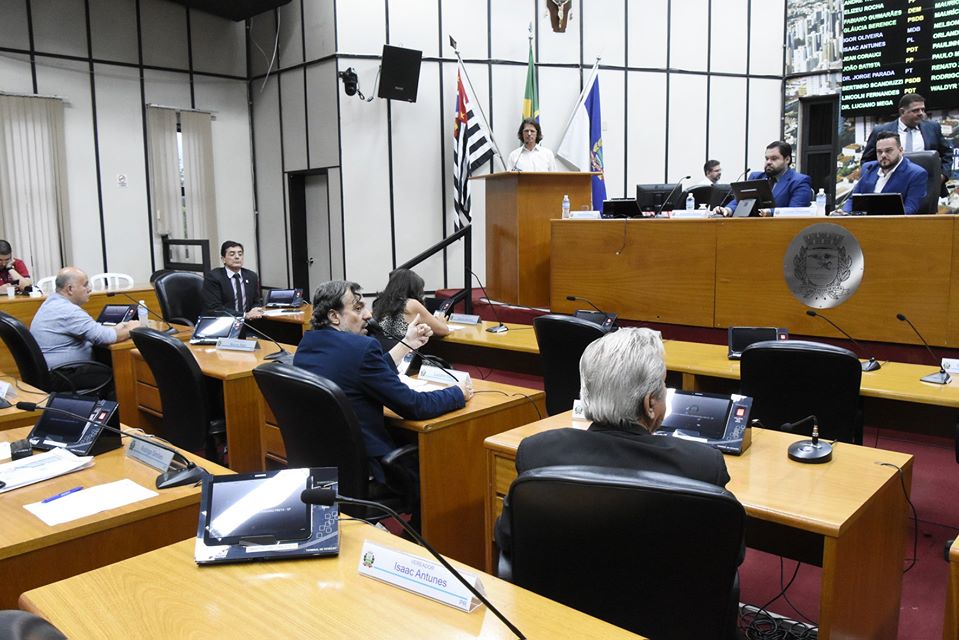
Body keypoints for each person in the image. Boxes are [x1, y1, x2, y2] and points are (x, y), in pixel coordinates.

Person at [495, 327, 729, 554]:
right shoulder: (704, 466)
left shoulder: (536, 453)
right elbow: (728, 555)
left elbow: (506, 536)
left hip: (554, 592)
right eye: (664, 385)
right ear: (649, 404)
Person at [292, 280, 473, 483]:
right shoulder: (362, 347)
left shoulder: (307, 344)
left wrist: (406, 344)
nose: (368, 315)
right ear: (334, 316)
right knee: (444, 464)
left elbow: (362, 372)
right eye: (358, 308)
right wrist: (457, 392)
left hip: (326, 464)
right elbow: (415, 405)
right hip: (368, 466)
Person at [30, 267, 139, 391]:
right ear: (70, 289)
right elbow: (106, 337)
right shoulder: (68, 311)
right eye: (85, 285)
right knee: (121, 375)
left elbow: (93, 330)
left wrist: (117, 328)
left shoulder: (53, 302)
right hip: (62, 375)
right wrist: (133, 328)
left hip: (51, 372)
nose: (90, 289)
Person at [862, 93, 952, 196]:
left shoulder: (933, 127)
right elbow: (867, 161)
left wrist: (942, 176)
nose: (921, 113)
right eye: (915, 110)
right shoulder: (881, 131)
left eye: (922, 109)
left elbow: (947, 153)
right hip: (890, 188)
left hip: (927, 189)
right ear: (902, 111)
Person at [714, 141, 813, 216]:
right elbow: (740, 201)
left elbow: (796, 212)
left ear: (787, 159)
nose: (768, 162)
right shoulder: (756, 177)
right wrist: (727, 210)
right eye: (767, 158)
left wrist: (770, 212)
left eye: (774, 159)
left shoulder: (799, 181)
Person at [844, 131, 929, 215]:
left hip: (894, 225)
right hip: (863, 223)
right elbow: (853, 199)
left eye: (888, 151)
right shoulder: (868, 168)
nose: (883, 155)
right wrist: (844, 213)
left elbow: (910, 209)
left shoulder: (916, 174)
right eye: (879, 152)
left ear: (900, 150)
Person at [372, 268, 449, 341]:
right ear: (414, 289)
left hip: (383, 351)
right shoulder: (411, 304)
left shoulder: (379, 303)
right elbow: (443, 331)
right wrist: (442, 322)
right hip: (403, 352)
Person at [201, 240, 263, 320]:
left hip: (248, 323)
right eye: (232, 254)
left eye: (240, 254)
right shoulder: (213, 277)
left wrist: (255, 310)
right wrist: (244, 315)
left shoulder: (251, 276)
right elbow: (215, 309)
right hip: (223, 323)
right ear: (223, 259)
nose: (237, 257)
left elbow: (256, 301)